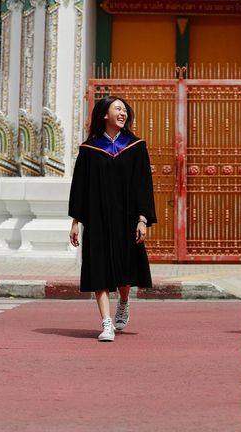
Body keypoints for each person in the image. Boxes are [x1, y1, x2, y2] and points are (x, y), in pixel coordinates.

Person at [68, 96, 156, 342]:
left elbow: (143, 185)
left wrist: (143, 219)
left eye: (124, 109)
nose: (123, 113)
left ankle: (124, 301)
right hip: (97, 219)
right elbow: (80, 187)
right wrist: (76, 221)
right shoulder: (89, 149)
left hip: (127, 218)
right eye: (117, 108)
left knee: (125, 272)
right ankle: (106, 323)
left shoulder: (136, 146)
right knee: (99, 269)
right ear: (104, 114)